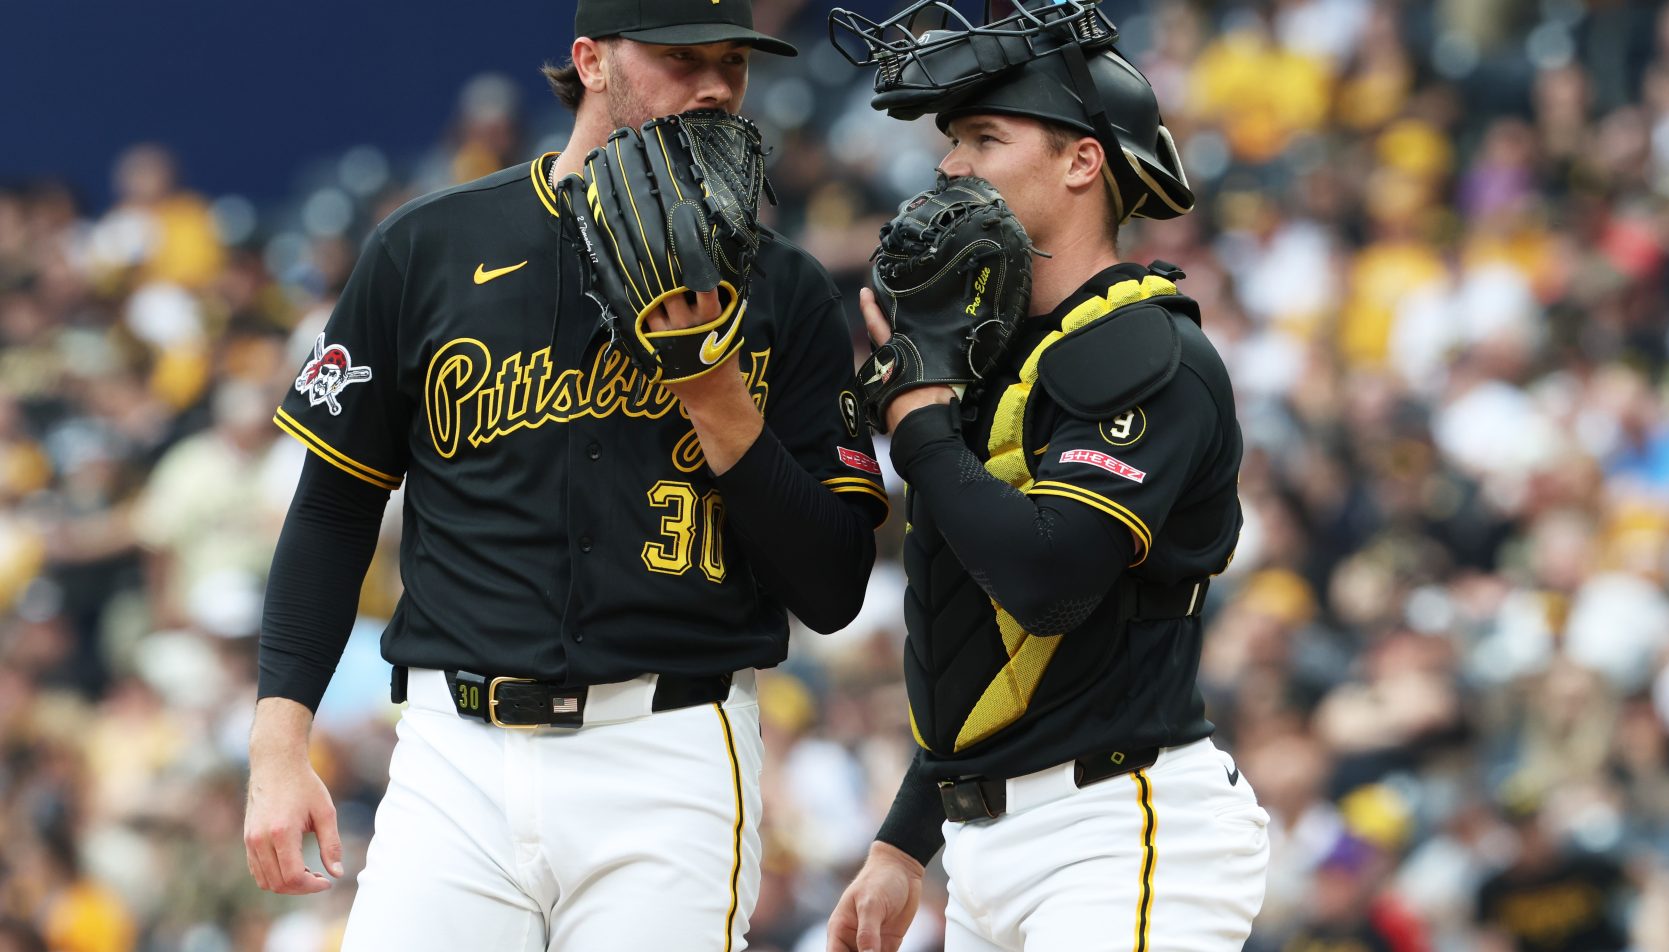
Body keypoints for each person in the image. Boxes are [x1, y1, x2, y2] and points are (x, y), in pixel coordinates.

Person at [242, 0, 889, 948]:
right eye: (682, 59)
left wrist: (717, 399)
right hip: (453, 753)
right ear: (591, 61)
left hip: (672, 750)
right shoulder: (429, 248)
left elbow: (833, 588)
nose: (716, 87)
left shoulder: (782, 288)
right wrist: (277, 744)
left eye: (733, 65)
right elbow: (335, 509)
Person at [824, 5, 1270, 950]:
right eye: (953, 140)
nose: (952, 165)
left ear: (1081, 162)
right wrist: (907, 840)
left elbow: (1051, 584)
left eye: (987, 137)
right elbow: (984, 646)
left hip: (1124, 827)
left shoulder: (1147, 349)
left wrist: (920, 424)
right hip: (991, 843)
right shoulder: (997, 362)